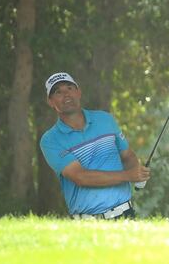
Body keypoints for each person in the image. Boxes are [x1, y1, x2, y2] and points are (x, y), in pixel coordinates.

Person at [39, 72, 150, 219]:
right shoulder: (50, 140)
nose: (66, 94)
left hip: (125, 214)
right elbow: (80, 177)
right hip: (87, 222)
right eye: (58, 92)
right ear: (50, 101)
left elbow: (127, 155)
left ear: (78, 92)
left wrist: (137, 172)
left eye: (69, 88)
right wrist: (128, 175)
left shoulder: (105, 119)